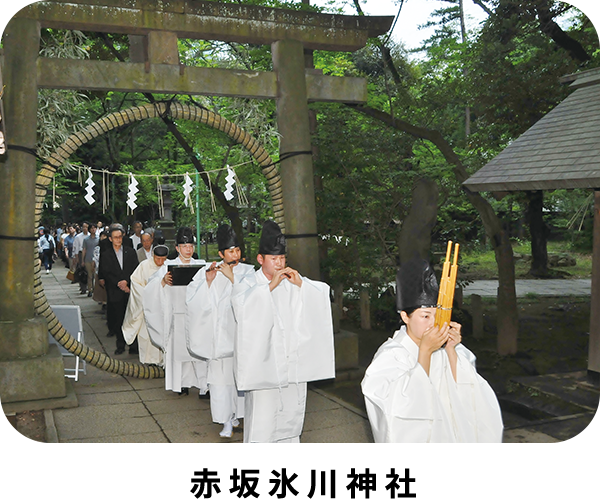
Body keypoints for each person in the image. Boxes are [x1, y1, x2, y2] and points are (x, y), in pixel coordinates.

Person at [361, 259, 504, 443]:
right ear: (405, 316)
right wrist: (425, 352)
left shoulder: (444, 346)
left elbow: (467, 390)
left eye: (438, 316)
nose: (433, 323)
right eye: (425, 316)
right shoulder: (392, 354)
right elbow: (398, 408)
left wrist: (451, 349)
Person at [231, 220, 336, 443]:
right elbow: (242, 307)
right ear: (261, 259)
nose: (279, 264)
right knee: (263, 422)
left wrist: (302, 286)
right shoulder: (248, 283)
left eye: (282, 259)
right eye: (273, 259)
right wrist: (269, 287)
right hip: (264, 367)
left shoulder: (294, 281)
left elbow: (320, 294)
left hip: (291, 366)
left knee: (290, 418)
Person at [186, 224, 254, 438]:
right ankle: (225, 420)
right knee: (220, 382)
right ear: (221, 254)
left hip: (239, 336)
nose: (235, 255)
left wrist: (233, 278)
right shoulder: (207, 271)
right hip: (218, 338)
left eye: (238, 251)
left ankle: (237, 416)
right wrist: (208, 281)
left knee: (239, 381)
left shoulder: (249, 272)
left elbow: (254, 300)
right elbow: (192, 298)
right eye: (231, 251)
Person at [144, 227, 208, 395]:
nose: (188, 249)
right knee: (179, 353)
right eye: (184, 246)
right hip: (177, 316)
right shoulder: (167, 266)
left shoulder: (201, 267)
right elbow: (151, 287)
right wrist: (163, 282)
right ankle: (181, 384)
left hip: (196, 316)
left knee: (199, 351)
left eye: (191, 246)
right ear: (178, 248)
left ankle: (204, 386)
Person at [122, 245, 168, 366]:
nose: (160, 262)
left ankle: (164, 361)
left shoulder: (168, 266)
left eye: (163, 259)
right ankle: (149, 361)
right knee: (147, 335)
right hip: (148, 307)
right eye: (158, 259)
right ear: (153, 256)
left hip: (163, 307)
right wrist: (148, 294)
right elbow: (136, 283)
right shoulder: (144, 266)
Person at [98, 223, 139, 355]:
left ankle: (133, 346)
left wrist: (126, 282)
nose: (118, 240)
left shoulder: (130, 252)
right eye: (115, 237)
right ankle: (120, 345)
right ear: (110, 239)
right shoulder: (106, 254)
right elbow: (106, 272)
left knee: (132, 318)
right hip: (115, 290)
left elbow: (135, 269)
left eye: (120, 237)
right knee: (118, 319)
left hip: (129, 290)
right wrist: (119, 283)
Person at [82, 223, 99, 297]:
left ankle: (96, 289)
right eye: (92, 228)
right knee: (90, 275)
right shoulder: (86, 240)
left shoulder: (98, 239)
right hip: (88, 259)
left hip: (96, 260)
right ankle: (90, 289)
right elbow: (84, 249)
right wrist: (82, 260)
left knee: (96, 275)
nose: (93, 229)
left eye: (95, 228)